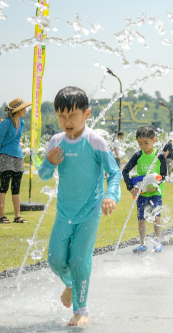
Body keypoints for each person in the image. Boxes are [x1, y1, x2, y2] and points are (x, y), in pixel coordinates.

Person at [38, 86, 121, 326]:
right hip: (64, 213)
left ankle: (81, 310)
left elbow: (114, 173)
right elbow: (43, 175)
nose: (67, 121)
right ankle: (72, 284)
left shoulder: (94, 141)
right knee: (54, 260)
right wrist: (48, 163)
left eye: (72, 116)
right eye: (61, 116)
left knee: (78, 261)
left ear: (86, 114)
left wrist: (110, 196)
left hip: (89, 212)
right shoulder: (56, 141)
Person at [122, 126, 167, 253]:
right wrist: (131, 188)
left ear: (154, 140)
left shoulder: (160, 156)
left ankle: (158, 242)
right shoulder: (138, 155)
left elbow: (163, 175)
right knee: (141, 219)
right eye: (140, 143)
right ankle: (142, 243)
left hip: (156, 192)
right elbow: (125, 171)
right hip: (141, 193)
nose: (143, 146)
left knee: (156, 216)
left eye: (146, 143)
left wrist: (156, 184)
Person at [0, 98, 31, 224]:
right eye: (23, 108)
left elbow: (18, 140)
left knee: (16, 187)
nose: (25, 110)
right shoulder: (6, 123)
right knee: (4, 186)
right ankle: (2, 215)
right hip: (6, 156)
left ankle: (17, 216)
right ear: (17, 110)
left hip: (18, 157)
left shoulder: (22, 123)